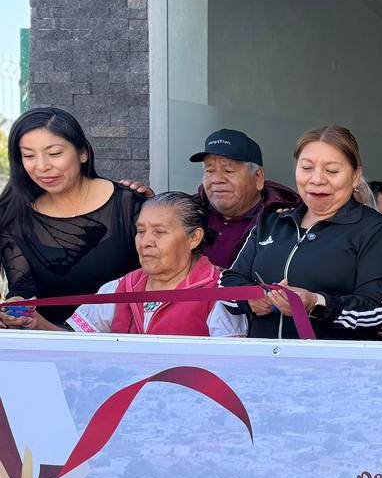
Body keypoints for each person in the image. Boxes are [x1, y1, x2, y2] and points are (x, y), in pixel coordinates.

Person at [220, 125, 382, 339]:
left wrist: (315, 303)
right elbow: (227, 282)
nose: (316, 179)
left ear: (355, 176)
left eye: (332, 171)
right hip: (265, 365)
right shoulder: (273, 222)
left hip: (335, 368)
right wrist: (251, 298)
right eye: (306, 168)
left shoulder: (374, 229)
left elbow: (377, 307)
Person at [16, 193, 246, 337]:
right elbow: (77, 344)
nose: (145, 242)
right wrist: (36, 322)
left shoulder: (221, 292)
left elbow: (232, 366)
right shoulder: (121, 287)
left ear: (194, 238)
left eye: (159, 232)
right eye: (141, 231)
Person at [0, 107, 145, 329]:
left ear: (83, 153)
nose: (42, 166)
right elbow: (23, 289)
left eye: (55, 153)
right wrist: (16, 309)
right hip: (52, 345)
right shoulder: (14, 216)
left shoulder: (128, 203)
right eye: (29, 155)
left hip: (126, 344)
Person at [191, 128, 301, 269]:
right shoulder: (188, 213)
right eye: (209, 171)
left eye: (228, 171)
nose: (216, 180)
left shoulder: (287, 221)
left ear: (258, 177)